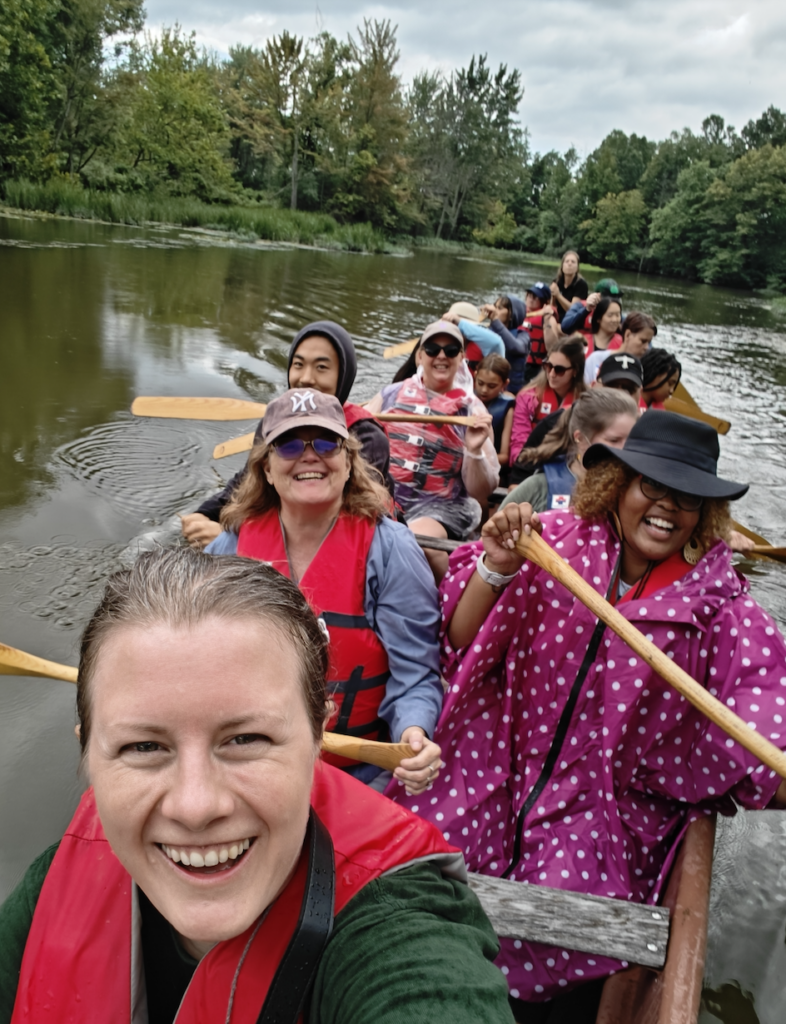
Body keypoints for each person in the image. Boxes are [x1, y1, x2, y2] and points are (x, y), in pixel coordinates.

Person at [0, 549, 516, 1024]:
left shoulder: (399, 928)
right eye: (143, 747)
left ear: (319, 737)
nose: (196, 807)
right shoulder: (49, 884)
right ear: (88, 755)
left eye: (246, 738)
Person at [394, 410, 786, 1018]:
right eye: (651, 487)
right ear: (620, 486)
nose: (666, 507)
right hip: (497, 767)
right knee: (408, 868)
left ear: (704, 515)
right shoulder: (550, 541)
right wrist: (497, 563)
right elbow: (459, 633)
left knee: (549, 930)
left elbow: (766, 736)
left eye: (687, 498)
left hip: (607, 814)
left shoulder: (722, 612)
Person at [204, 389, 444, 793]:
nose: (310, 455)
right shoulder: (227, 550)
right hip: (248, 765)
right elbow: (191, 660)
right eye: (290, 444)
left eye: (327, 442)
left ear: (349, 462)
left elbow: (416, 675)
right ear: (265, 469)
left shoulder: (392, 550)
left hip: (359, 771)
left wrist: (413, 734)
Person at [180, 321, 392, 550]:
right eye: (298, 364)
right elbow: (247, 482)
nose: (306, 378)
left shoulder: (367, 436)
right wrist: (206, 514)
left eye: (321, 367)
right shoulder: (274, 423)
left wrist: (230, 536)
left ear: (344, 376)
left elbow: (345, 515)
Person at [367, 321, 499, 580]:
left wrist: (473, 451)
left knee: (415, 540)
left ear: (461, 358)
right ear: (420, 355)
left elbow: (482, 491)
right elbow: (360, 443)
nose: (441, 355)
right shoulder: (390, 396)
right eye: (432, 348)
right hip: (387, 497)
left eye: (451, 350)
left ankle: (451, 602)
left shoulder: (473, 412)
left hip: (441, 507)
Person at [501, 389, 638, 513]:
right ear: (580, 438)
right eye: (614, 440)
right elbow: (491, 537)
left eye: (631, 440)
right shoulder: (539, 487)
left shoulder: (638, 490)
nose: (624, 450)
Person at [510, 336, 586, 463]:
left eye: (559, 370)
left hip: (570, 466)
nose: (551, 374)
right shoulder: (528, 397)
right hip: (531, 463)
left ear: (575, 371)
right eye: (548, 366)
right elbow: (518, 443)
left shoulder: (587, 402)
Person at [448, 296, 529, 394]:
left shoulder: (522, 335)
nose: (494, 310)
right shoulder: (483, 332)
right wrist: (445, 323)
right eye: (494, 306)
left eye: (499, 308)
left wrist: (495, 320)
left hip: (507, 390)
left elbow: (514, 347)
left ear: (512, 314)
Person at [584, 312, 656, 384]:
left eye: (649, 342)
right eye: (643, 341)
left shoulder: (645, 369)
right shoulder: (596, 359)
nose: (647, 347)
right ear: (627, 335)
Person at [474, 354, 515, 471]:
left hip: (491, 469)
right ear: (475, 376)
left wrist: (476, 458)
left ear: (505, 384)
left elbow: (504, 456)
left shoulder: (507, 408)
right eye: (480, 383)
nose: (484, 390)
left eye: (492, 386)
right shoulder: (465, 400)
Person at [559, 278, 624, 338]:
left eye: (615, 299)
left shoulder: (617, 315)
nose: (611, 303)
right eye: (608, 299)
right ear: (597, 296)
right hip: (582, 346)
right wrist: (586, 309)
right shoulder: (580, 306)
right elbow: (565, 327)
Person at [550, 250, 589, 322]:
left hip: (572, 321)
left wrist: (558, 295)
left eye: (573, 262)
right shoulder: (557, 282)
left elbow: (573, 311)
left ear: (577, 267)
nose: (569, 264)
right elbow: (552, 306)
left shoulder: (581, 284)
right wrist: (553, 296)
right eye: (567, 261)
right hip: (558, 318)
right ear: (562, 266)